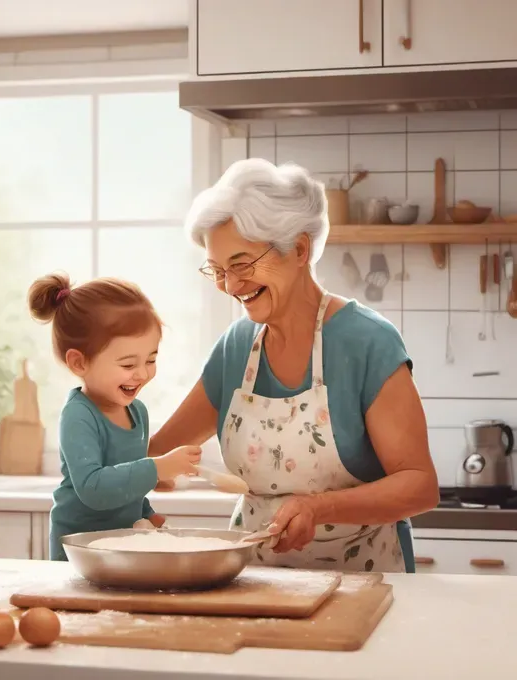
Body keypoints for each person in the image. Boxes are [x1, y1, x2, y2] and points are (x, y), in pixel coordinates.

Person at [149, 158, 439, 573]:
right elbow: (159, 455)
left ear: (299, 249)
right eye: (218, 270)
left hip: (364, 584)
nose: (230, 286)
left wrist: (319, 507)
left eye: (242, 264)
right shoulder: (235, 349)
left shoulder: (366, 342)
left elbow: (420, 485)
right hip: (256, 581)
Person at [28, 273, 202, 561]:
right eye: (128, 363)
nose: (143, 373)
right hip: (79, 556)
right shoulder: (78, 415)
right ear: (79, 362)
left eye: (151, 359)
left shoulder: (138, 412)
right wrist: (157, 468)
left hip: (121, 550)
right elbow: (93, 488)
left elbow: (125, 483)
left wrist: (147, 513)